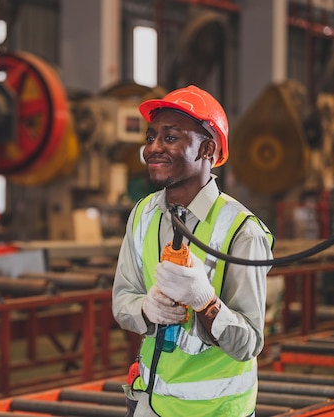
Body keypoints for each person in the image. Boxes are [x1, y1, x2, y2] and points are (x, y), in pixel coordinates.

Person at [112, 85, 274, 417]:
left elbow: (249, 344)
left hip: (216, 410)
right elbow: (122, 299)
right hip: (150, 404)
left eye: (170, 138)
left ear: (207, 149)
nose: (153, 148)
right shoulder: (143, 215)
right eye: (151, 137)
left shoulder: (242, 231)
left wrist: (206, 303)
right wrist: (145, 308)